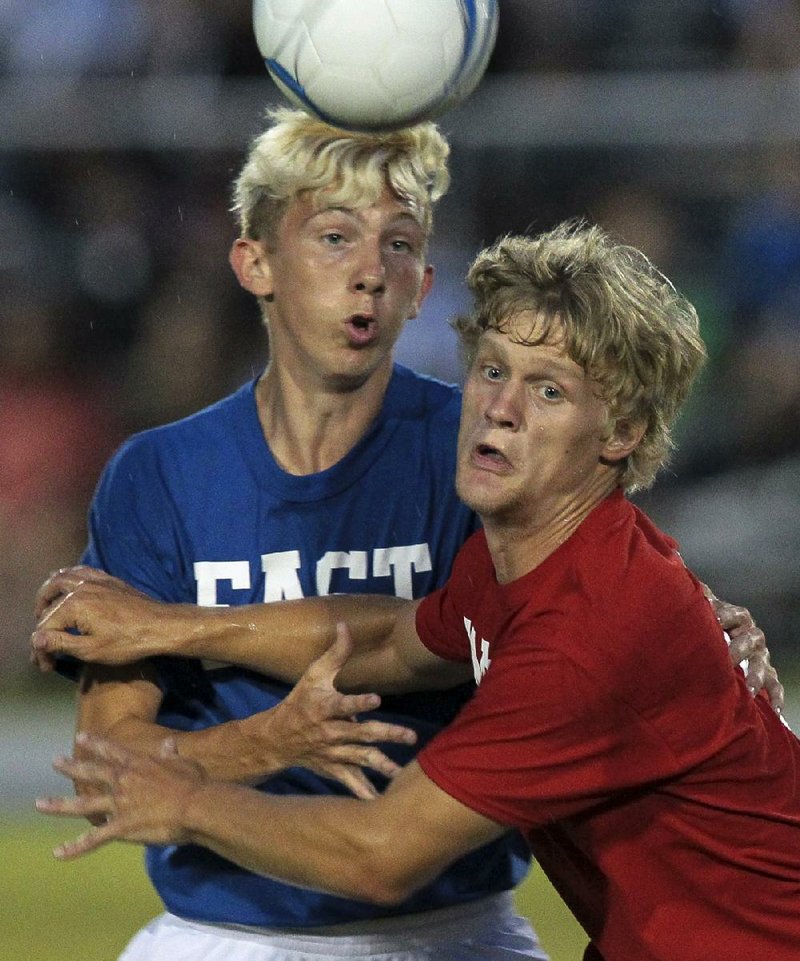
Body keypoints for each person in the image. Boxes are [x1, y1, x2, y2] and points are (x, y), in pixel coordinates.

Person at [36, 221, 798, 961]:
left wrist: (184, 798)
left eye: (549, 392)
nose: (500, 407)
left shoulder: (583, 636)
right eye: (494, 369)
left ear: (621, 432)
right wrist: (168, 627)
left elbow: (380, 854)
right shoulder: (540, 558)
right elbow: (392, 641)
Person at [34, 107, 549, 961]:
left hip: (455, 932)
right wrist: (266, 741)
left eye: (399, 244)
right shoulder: (158, 473)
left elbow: (459, 638)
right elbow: (108, 765)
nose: (371, 275)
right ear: (256, 262)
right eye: (336, 237)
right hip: (220, 936)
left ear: (424, 284)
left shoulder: (483, 451)